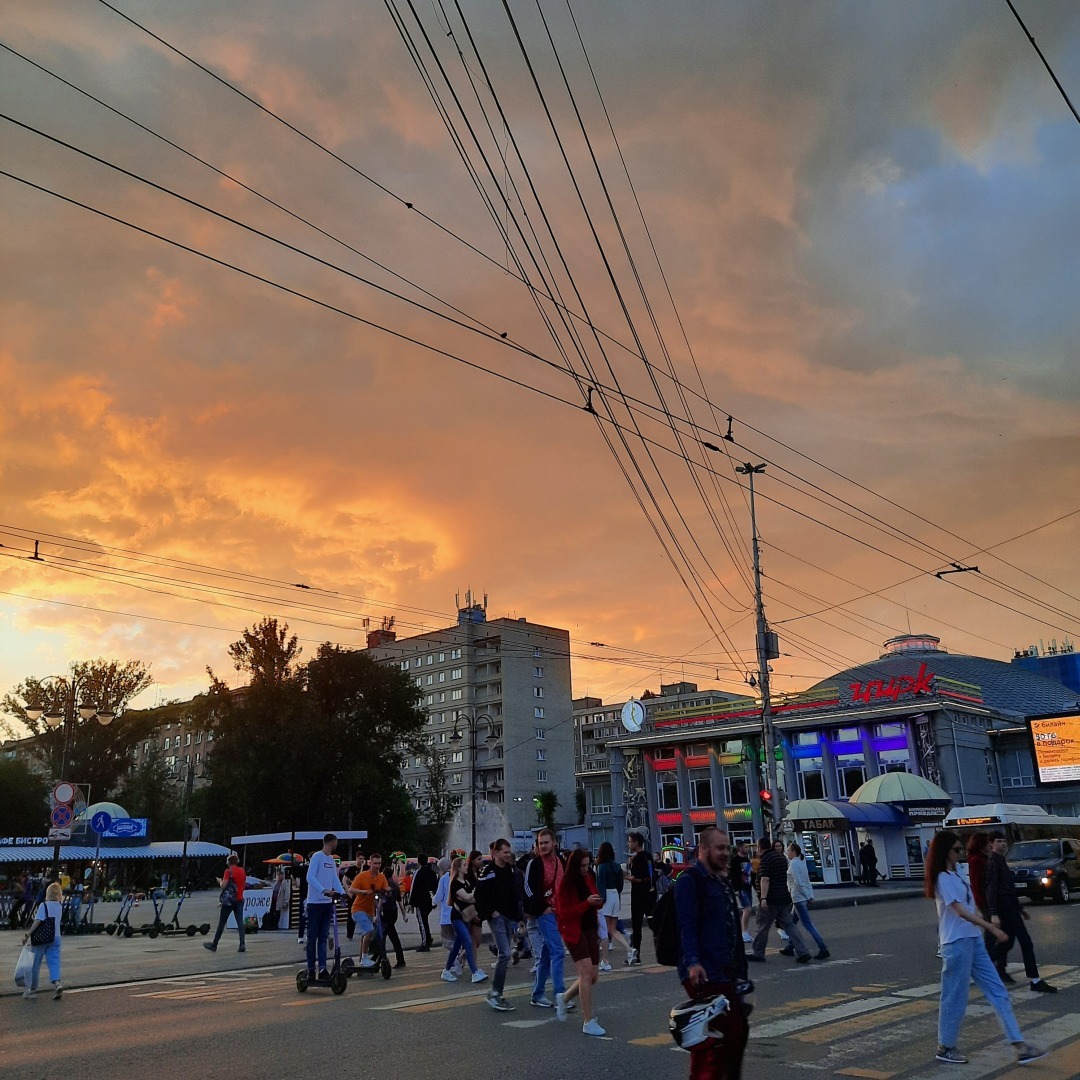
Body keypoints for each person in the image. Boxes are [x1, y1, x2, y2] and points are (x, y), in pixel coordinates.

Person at [925, 830, 1044, 1066]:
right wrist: (992, 927)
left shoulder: (957, 874)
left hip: (973, 941)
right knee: (955, 997)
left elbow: (974, 902)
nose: (961, 855)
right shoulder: (942, 878)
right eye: (957, 850)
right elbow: (960, 912)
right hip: (956, 944)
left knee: (998, 991)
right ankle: (945, 1047)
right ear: (945, 852)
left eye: (962, 850)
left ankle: (1019, 1046)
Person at [675, 828, 750, 1080]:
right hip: (704, 972)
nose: (725, 853)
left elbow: (730, 929)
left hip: (725, 969)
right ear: (703, 850)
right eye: (719, 848)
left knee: (730, 1036)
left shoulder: (720, 880)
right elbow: (686, 924)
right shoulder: (690, 881)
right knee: (718, 1040)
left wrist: (741, 972)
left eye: (727, 847)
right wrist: (693, 962)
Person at [984, 831, 1056, 992]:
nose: (1002, 844)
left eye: (1004, 841)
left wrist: (1020, 909)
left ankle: (981, 965)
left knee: (1007, 942)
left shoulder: (1002, 861)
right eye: (998, 841)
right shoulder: (993, 863)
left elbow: (1010, 888)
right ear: (991, 844)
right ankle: (1035, 981)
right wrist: (994, 913)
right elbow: (992, 889)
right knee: (1025, 942)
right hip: (1004, 909)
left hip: (1010, 908)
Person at [555, 847, 606, 1035]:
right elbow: (564, 914)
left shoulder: (588, 877)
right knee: (585, 974)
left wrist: (597, 901)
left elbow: (596, 897)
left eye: (588, 865)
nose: (586, 868)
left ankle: (565, 998)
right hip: (574, 930)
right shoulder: (565, 885)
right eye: (583, 866)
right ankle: (588, 1021)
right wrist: (587, 903)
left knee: (592, 976)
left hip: (590, 928)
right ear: (574, 865)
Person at [475, 836, 521, 1011]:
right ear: (495, 853)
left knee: (505, 954)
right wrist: (490, 912)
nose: (508, 855)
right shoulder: (488, 871)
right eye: (505, 852)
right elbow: (479, 895)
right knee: (505, 953)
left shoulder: (510, 870)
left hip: (509, 917)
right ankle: (495, 992)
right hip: (496, 917)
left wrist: (519, 918)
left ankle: (497, 993)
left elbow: (514, 894)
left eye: (509, 852)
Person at [523, 827, 568, 1007]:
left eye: (546, 843)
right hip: (544, 913)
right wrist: (542, 908)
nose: (542, 846)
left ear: (554, 843)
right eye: (540, 843)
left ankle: (538, 993)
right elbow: (528, 889)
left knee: (546, 953)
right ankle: (560, 995)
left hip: (558, 912)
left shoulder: (560, 861)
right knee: (558, 951)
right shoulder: (534, 864)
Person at [748, 836, 809, 963]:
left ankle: (758, 953)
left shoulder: (765, 860)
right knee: (790, 926)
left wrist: (763, 898)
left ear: (759, 847)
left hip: (770, 899)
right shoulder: (781, 857)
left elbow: (765, 879)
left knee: (762, 927)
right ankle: (803, 952)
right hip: (784, 898)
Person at [304, 834, 345, 981]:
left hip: (327, 904)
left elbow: (334, 879)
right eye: (336, 842)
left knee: (323, 938)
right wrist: (323, 890)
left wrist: (343, 893)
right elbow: (310, 877)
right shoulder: (317, 857)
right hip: (315, 903)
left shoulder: (331, 860)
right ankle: (310, 970)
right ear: (332, 842)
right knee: (312, 938)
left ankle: (322, 969)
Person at [441, 856, 487, 985]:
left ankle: (446, 970)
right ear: (458, 868)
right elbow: (467, 897)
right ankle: (474, 972)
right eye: (464, 865)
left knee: (457, 946)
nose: (467, 867)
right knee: (467, 940)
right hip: (457, 918)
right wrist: (477, 893)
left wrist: (474, 895)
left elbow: (471, 898)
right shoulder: (455, 883)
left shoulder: (465, 881)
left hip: (466, 917)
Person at [22, 881, 64, 1000]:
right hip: (56, 937)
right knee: (54, 962)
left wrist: (28, 934)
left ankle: (32, 988)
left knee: (35, 964)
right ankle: (57, 984)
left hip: (42, 938)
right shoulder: (59, 906)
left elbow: (37, 922)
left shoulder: (44, 906)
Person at [787, 843, 829, 960]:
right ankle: (790, 946)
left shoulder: (794, 863)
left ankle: (823, 948)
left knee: (808, 925)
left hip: (798, 898)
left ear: (794, 851)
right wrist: (809, 895)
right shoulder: (801, 863)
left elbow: (799, 882)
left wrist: (808, 896)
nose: (787, 853)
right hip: (801, 898)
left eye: (788, 851)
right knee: (791, 922)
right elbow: (806, 881)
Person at [348, 851, 389, 969]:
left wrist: (389, 890)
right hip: (358, 909)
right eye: (375, 863)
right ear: (370, 863)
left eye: (379, 863)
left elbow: (385, 887)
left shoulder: (381, 877)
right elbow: (351, 889)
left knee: (366, 935)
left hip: (370, 911)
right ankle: (365, 958)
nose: (377, 866)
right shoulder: (362, 876)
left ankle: (362, 959)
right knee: (369, 931)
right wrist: (364, 892)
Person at [595, 841, 630, 971]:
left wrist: (601, 900)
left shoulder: (601, 867)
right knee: (612, 929)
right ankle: (629, 949)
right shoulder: (616, 866)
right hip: (615, 894)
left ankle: (605, 960)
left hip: (606, 896)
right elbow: (621, 883)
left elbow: (600, 885)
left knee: (603, 929)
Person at [204, 854, 246, 954]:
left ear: (228, 862)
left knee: (222, 923)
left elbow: (223, 886)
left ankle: (214, 944)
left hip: (229, 901)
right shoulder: (242, 870)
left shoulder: (228, 871)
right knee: (240, 922)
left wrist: (220, 881)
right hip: (239, 898)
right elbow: (243, 883)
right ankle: (242, 944)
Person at [626, 831, 654, 966]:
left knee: (636, 927)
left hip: (638, 895)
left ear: (636, 843)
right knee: (653, 923)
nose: (628, 844)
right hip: (650, 894)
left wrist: (625, 875)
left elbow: (636, 878)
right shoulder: (648, 856)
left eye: (630, 841)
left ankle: (636, 956)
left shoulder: (637, 859)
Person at [410, 854, 437, 951]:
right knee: (425, 920)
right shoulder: (432, 873)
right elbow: (435, 888)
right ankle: (428, 938)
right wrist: (435, 901)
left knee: (422, 921)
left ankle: (425, 942)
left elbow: (414, 888)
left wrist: (411, 903)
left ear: (419, 862)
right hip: (429, 900)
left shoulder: (418, 872)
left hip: (420, 901)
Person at [731, 841, 754, 944]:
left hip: (748, 886)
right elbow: (733, 875)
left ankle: (746, 931)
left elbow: (750, 874)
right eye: (745, 847)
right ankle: (743, 932)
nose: (747, 849)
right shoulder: (735, 860)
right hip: (741, 888)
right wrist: (735, 889)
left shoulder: (747, 859)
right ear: (740, 848)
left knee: (748, 909)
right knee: (747, 908)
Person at [965, 832, 991, 918]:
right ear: (981, 844)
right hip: (984, 899)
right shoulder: (976, 860)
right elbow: (976, 882)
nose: (990, 845)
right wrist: (981, 900)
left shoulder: (983, 858)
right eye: (987, 843)